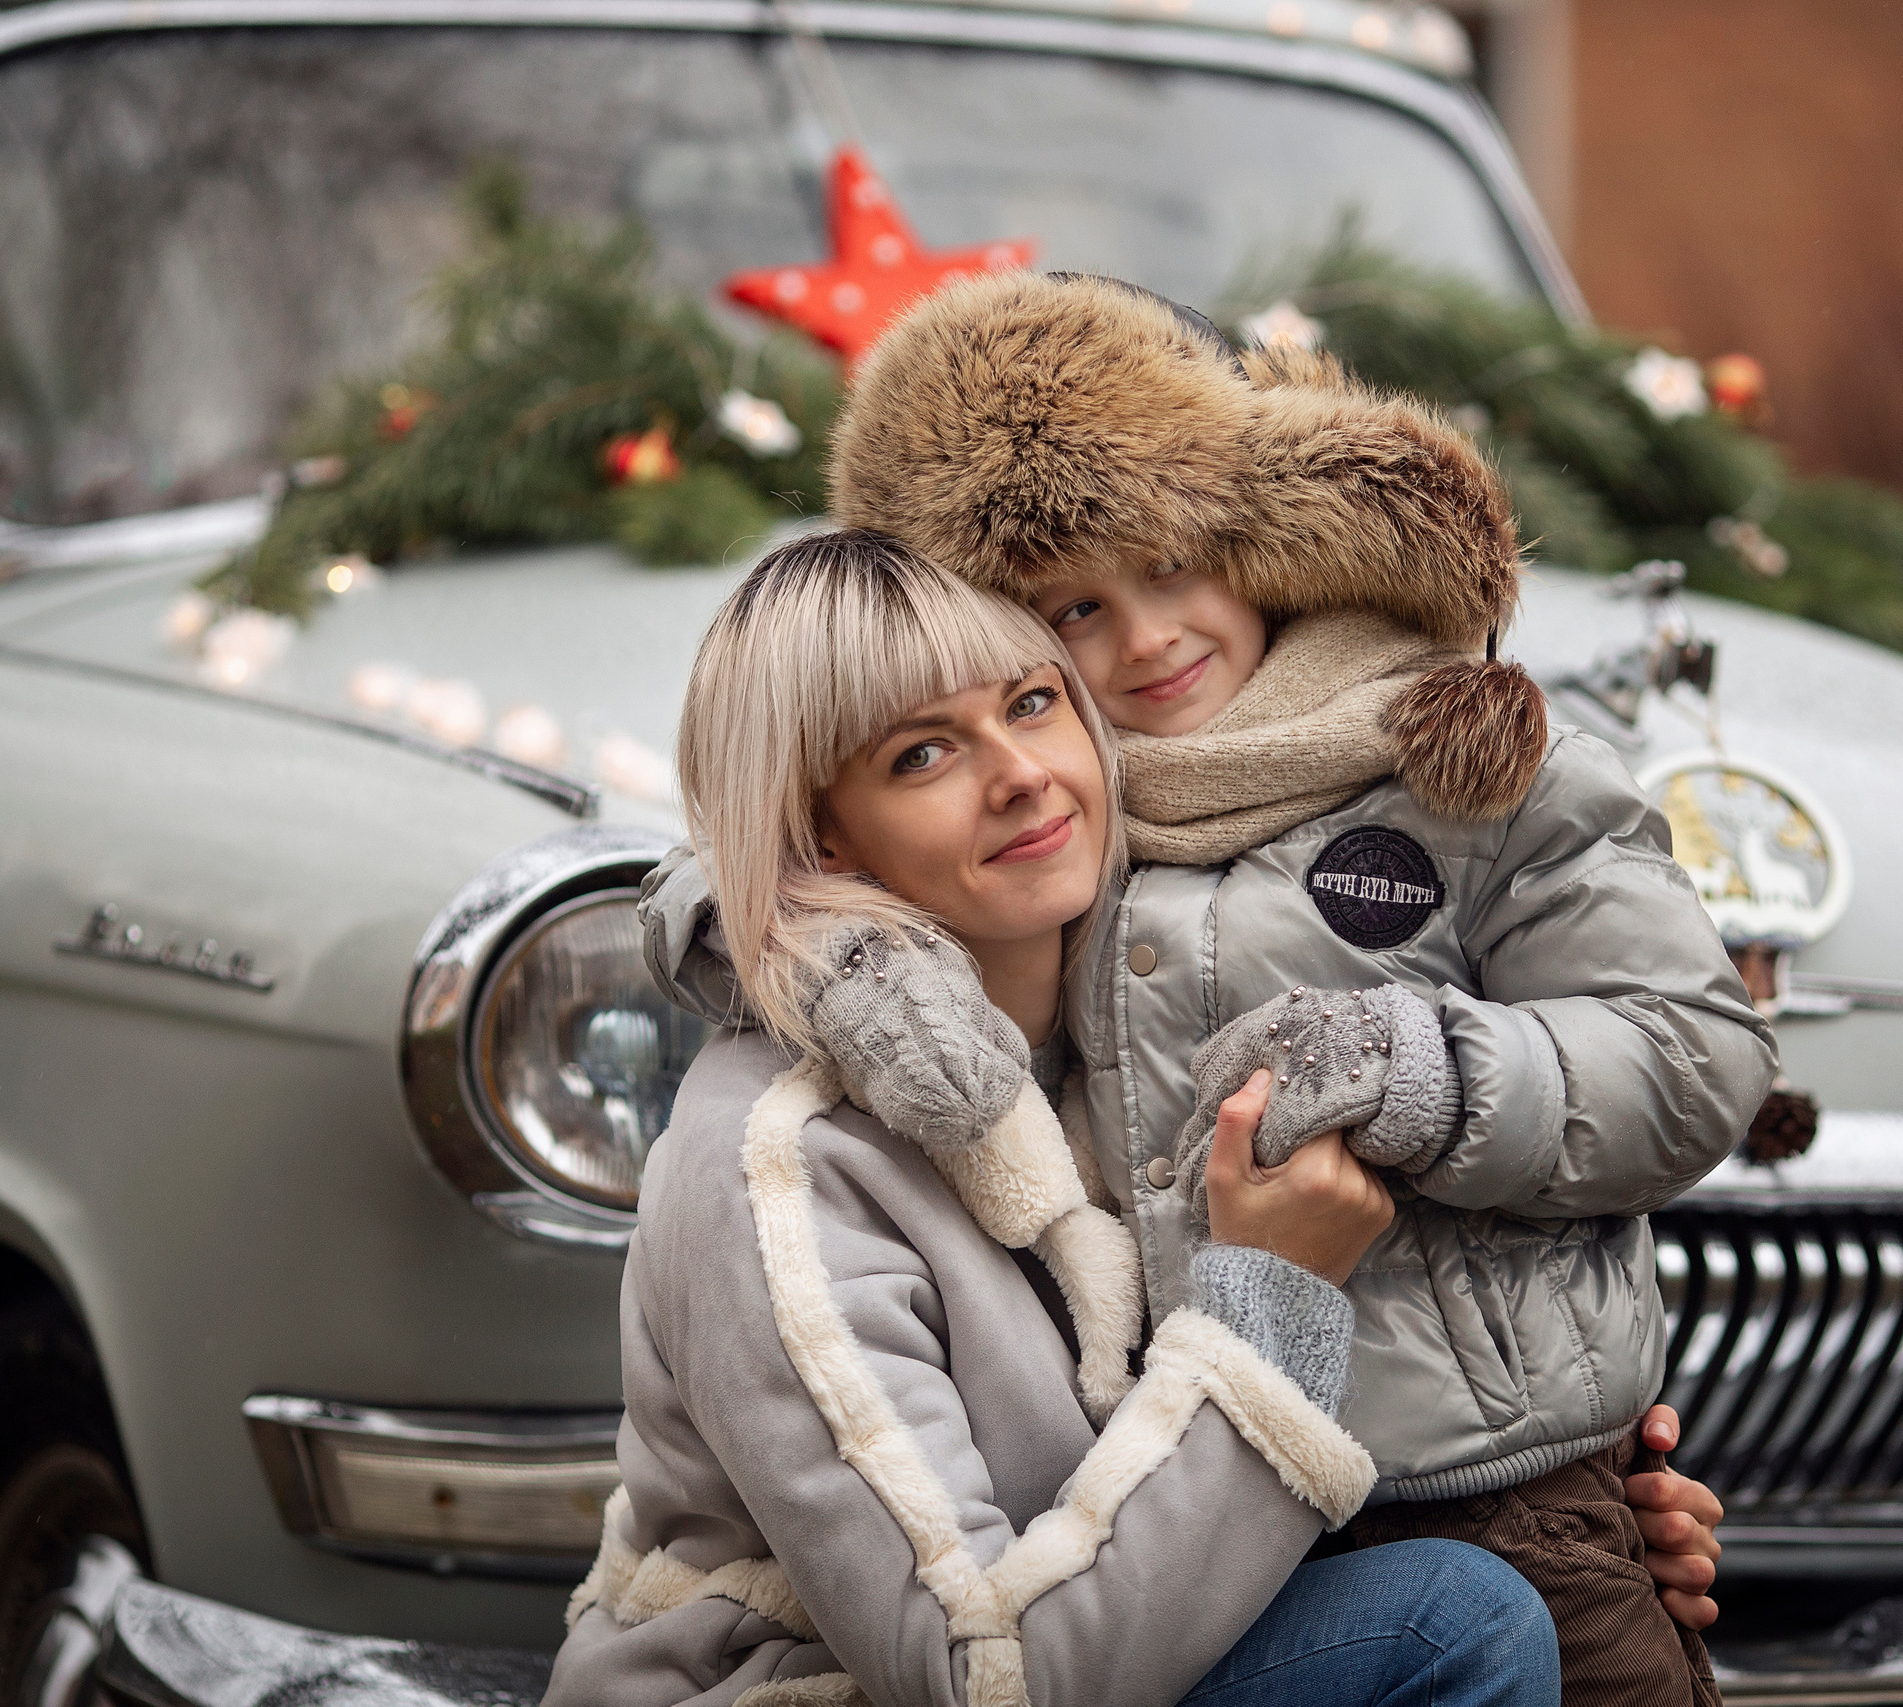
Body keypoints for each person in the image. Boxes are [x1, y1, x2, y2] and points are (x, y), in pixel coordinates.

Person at [550, 531, 1724, 1707]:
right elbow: (978, 1676)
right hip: (827, 1686)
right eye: (921, 755)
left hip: (1111, 1635)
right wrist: (1274, 1302)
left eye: (1030, 703)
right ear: (820, 838)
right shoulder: (775, 1160)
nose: (1019, 774)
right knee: (1452, 1622)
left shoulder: (1115, 1036)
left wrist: (1571, 1502)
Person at [824, 272, 1775, 1706]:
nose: (1147, 639)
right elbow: (771, 833)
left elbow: (1691, 1054)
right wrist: (833, 955)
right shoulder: (1041, 802)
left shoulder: (1462, 758)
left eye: (1171, 563)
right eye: (1075, 609)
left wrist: (1431, 1071)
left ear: (1257, 534)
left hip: (1499, 1497)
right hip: (1179, 1506)